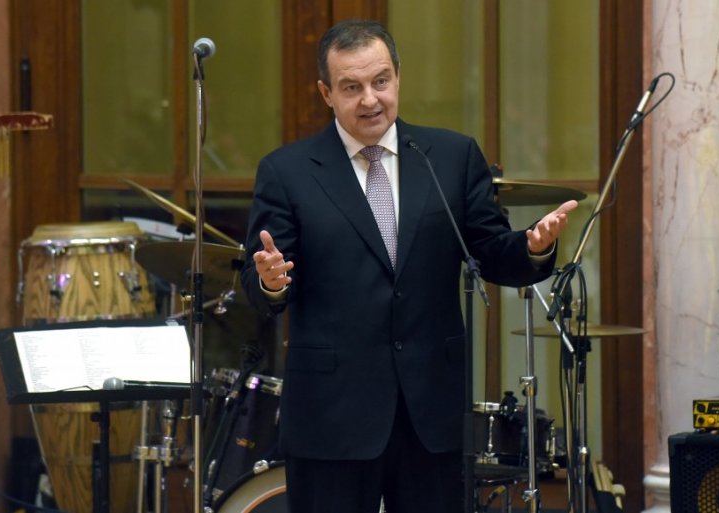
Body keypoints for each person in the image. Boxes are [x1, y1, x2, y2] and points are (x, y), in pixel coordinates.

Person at [240, 19, 578, 513]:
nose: (370, 99)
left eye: (380, 81)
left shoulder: (451, 156)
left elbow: (490, 250)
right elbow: (260, 286)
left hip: (430, 411)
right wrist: (270, 281)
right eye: (351, 87)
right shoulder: (287, 171)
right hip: (332, 415)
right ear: (326, 93)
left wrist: (533, 248)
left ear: (398, 77)